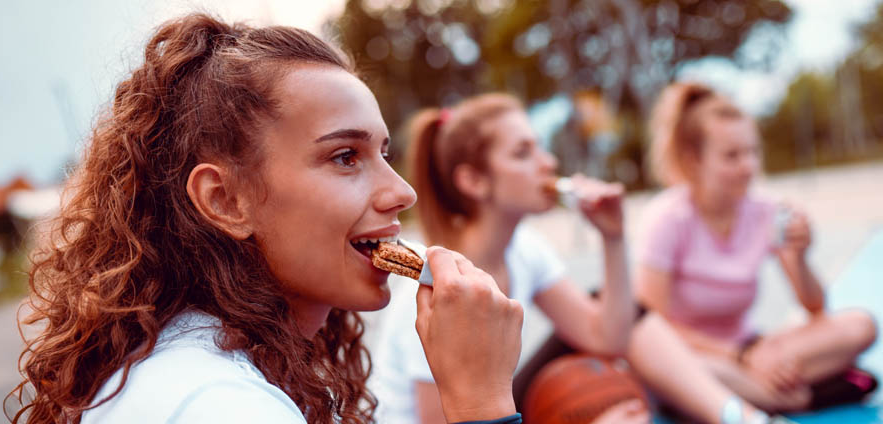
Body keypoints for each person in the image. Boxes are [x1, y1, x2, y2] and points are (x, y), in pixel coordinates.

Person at [7, 14, 525, 424]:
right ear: (226, 200)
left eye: (384, 154)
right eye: (346, 156)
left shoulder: (233, 366)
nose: (403, 192)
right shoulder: (217, 405)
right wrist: (480, 402)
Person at [373, 93, 793, 424]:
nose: (549, 163)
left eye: (540, 147)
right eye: (523, 153)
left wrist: (613, 238)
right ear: (473, 180)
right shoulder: (434, 286)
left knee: (618, 316)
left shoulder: (525, 248)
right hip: (467, 416)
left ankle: (741, 413)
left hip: (489, 406)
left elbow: (609, 338)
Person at [636, 82, 878, 413]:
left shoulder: (768, 212)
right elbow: (650, 327)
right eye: (732, 156)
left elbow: (815, 306)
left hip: (755, 348)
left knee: (860, 326)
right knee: (686, 370)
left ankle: (743, 396)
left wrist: (801, 257)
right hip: (694, 354)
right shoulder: (666, 219)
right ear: (694, 160)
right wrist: (741, 357)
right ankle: (797, 397)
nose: (749, 165)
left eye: (752, 152)